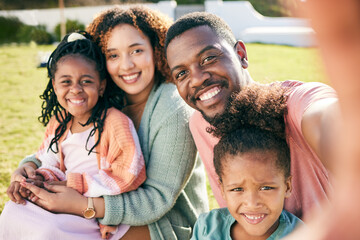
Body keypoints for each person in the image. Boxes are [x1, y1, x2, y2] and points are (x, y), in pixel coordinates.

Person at [8, 6, 208, 240]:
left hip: (164, 224)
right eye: (113, 55)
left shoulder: (171, 108)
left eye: (136, 51)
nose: (126, 65)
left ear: (156, 50)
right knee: (20, 215)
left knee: (53, 233)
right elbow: (63, 143)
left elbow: (156, 201)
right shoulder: (104, 94)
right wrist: (28, 167)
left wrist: (83, 205)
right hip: (97, 206)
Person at [164, 12, 340, 221]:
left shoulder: (295, 103)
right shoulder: (201, 124)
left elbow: (328, 120)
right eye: (181, 74)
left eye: (209, 58)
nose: (196, 80)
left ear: (241, 55)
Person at [1, 31, 146, 239]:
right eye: (66, 81)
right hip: (61, 197)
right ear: (54, 85)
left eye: (86, 81)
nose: (75, 89)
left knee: (47, 230)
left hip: (92, 210)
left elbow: (130, 172)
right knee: (11, 213)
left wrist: (76, 185)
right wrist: (33, 177)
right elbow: (47, 158)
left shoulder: (115, 122)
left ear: (101, 86)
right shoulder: (60, 121)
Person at [191, 91, 304, 239]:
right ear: (222, 189)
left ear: (287, 186)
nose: (252, 203)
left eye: (266, 188)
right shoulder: (208, 227)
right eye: (237, 189)